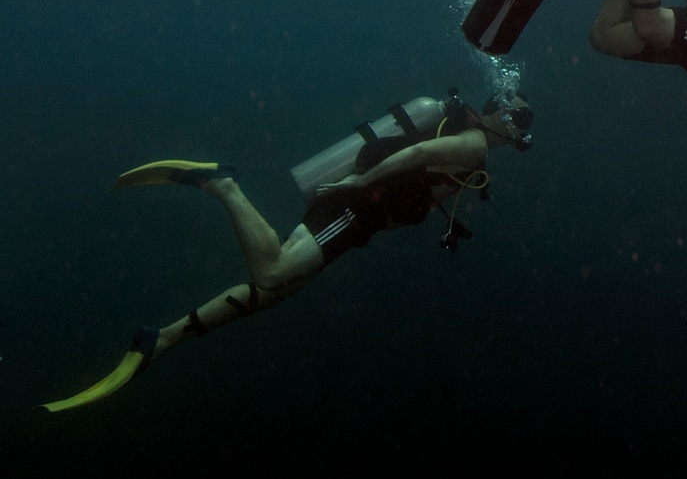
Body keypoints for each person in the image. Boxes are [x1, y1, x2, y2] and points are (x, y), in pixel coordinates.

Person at [42, 89, 532, 412]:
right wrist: (361, 181)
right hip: (358, 207)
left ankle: (163, 339)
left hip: (365, 215)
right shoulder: (473, 145)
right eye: (519, 122)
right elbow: (418, 155)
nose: (518, 133)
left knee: (277, 291)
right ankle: (223, 186)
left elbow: (426, 178)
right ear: (503, 121)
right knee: (273, 272)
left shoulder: (470, 146)